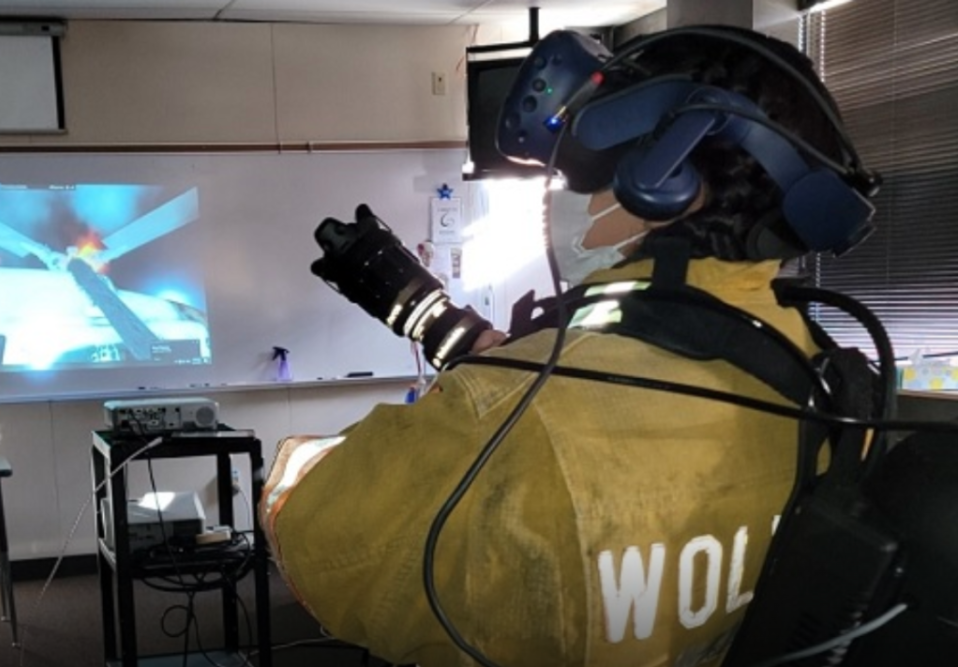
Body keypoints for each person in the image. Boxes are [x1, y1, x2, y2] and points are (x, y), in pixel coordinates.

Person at [261, 25, 870, 667]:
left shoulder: (503, 415)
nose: (561, 199)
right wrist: (462, 339)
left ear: (663, 179)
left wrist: (479, 395)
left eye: (582, 172)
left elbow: (320, 541)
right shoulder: (830, 386)